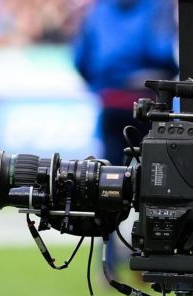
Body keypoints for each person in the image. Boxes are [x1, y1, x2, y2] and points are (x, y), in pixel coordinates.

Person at [72, 0, 178, 277]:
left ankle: (107, 265)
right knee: (156, 186)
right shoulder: (157, 7)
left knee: (107, 186)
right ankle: (149, 259)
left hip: (112, 102)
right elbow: (162, 51)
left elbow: (81, 60)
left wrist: (105, 84)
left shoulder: (98, 10)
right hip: (149, 104)